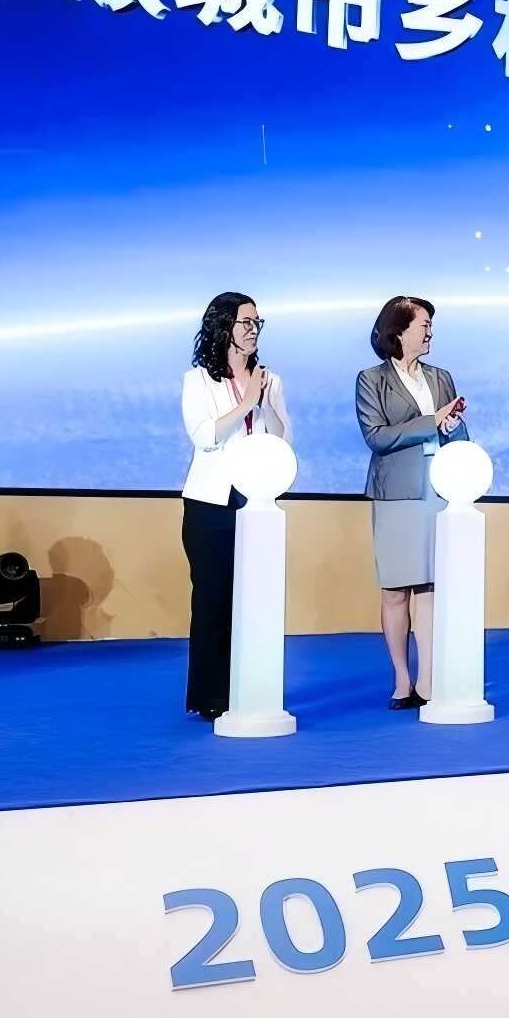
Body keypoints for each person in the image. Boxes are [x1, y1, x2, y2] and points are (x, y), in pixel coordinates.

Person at [179, 292, 291, 721]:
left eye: (257, 322)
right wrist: (244, 404)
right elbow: (204, 435)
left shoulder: (269, 380)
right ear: (222, 326)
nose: (252, 329)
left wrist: (264, 403)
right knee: (213, 599)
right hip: (211, 504)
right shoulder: (198, 380)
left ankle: (251, 688)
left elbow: (282, 437)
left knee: (255, 600)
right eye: (245, 321)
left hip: (256, 502)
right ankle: (211, 694)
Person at [356, 295, 469, 710]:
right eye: (424, 325)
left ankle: (428, 679)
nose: (430, 333)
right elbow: (377, 436)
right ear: (399, 331)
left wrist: (451, 426)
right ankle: (401, 679)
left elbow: (458, 434)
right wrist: (431, 422)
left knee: (429, 586)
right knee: (395, 590)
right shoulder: (372, 379)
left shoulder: (441, 377)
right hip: (396, 493)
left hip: (437, 489)